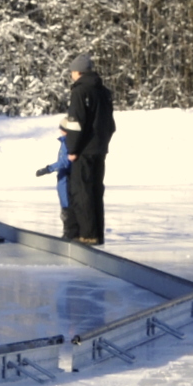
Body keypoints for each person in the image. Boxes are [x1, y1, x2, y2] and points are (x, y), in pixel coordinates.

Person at [63, 54, 115, 245]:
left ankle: (87, 234)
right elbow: (110, 124)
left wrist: (73, 148)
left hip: (84, 150)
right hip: (99, 149)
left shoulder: (80, 91)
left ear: (77, 72)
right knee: (95, 190)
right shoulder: (103, 91)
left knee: (81, 191)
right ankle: (96, 233)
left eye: (72, 72)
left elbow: (76, 123)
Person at [36, 133, 79, 240]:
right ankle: (69, 232)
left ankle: (71, 233)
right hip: (62, 179)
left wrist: (49, 168)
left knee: (68, 205)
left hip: (67, 179)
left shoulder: (70, 141)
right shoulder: (64, 141)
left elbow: (66, 161)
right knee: (65, 206)